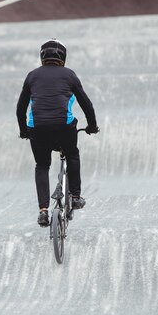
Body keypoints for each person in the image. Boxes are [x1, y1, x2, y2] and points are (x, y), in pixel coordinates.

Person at [16, 38, 100, 227]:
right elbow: (87, 104)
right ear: (63, 57)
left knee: (42, 165)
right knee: (72, 154)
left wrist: (24, 131)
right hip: (64, 127)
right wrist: (92, 126)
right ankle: (76, 196)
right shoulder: (69, 75)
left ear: (42, 57)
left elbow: (20, 109)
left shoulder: (32, 76)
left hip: (37, 128)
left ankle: (43, 211)